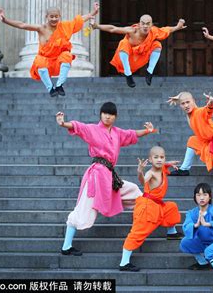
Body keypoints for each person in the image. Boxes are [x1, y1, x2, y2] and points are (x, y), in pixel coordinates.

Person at [55, 102, 156, 256]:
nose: (108, 116)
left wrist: (147, 131)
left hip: (109, 176)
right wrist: (63, 123)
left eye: (111, 114)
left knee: (133, 190)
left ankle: (148, 214)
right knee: (83, 210)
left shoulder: (117, 133)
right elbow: (78, 126)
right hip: (96, 176)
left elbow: (131, 134)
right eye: (105, 113)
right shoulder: (92, 130)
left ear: (115, 117)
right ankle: (66, 246)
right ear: (101, 115)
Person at [0, 3, 99, 97]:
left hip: (58, 62)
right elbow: (22, 25)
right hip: (46, 63)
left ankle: (59, 85)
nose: (54, 19)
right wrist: (6, 20)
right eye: (51, 16)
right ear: (47, 17)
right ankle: (51, 89)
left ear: (60, 17)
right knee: (39, 61)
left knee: (67, 55)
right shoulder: (41, 28)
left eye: (56, 16)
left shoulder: (64, 27)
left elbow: (79, 20)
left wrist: (92, 13)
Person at [119, 146, 182, 272]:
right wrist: (139, 172)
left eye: (162, 157)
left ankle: (172, 233)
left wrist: (169, 164)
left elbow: (163, 166)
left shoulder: (162, 168)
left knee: (171, 207)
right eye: (156, 157)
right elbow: (143, 181)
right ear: (150, 159)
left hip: (158, 205)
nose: (159, 160)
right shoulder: (150, 173)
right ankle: (124, 262)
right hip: (147, 207)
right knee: (138, 232)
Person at [92, 14, 186, 87]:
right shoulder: (132, 31)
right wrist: (96, 26)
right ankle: (128, 75)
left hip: (140, 59)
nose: (145, 26)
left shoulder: (154, 31)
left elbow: (167, 29)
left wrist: (177, 27)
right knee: (123, 43)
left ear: (151, 25)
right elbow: (113, 29)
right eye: (143, 23)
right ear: (139, 24)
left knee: (157, 44)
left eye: (148, 24)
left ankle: (149, 72)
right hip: (126, 60)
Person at [180, 183, 213, 290]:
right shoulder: (192, 213)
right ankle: (203, 262)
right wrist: (196, 225)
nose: (201, 198)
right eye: (198, 195)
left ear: (210, 197)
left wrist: (207, 224)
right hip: (204, 242)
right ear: (194, 197)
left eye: (204, 194)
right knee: (185, 242)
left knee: (210, 251)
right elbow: (186, 226)